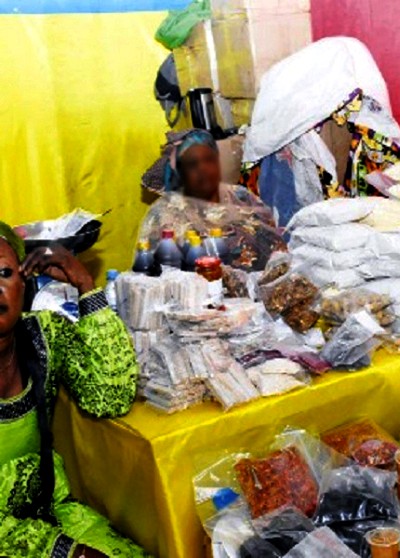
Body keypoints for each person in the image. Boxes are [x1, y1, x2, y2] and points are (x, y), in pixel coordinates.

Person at [0, 223, 147, 558]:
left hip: (49, 515)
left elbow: (110, 395)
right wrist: (68, 553)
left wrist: (85, 286)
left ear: (25, 283)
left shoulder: (44, 336)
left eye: (4, 273)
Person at [139, 129, 286, 271]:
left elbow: (274, 243)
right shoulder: (163, 211)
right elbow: (154, 270)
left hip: (253, 287)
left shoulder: (240, 196)